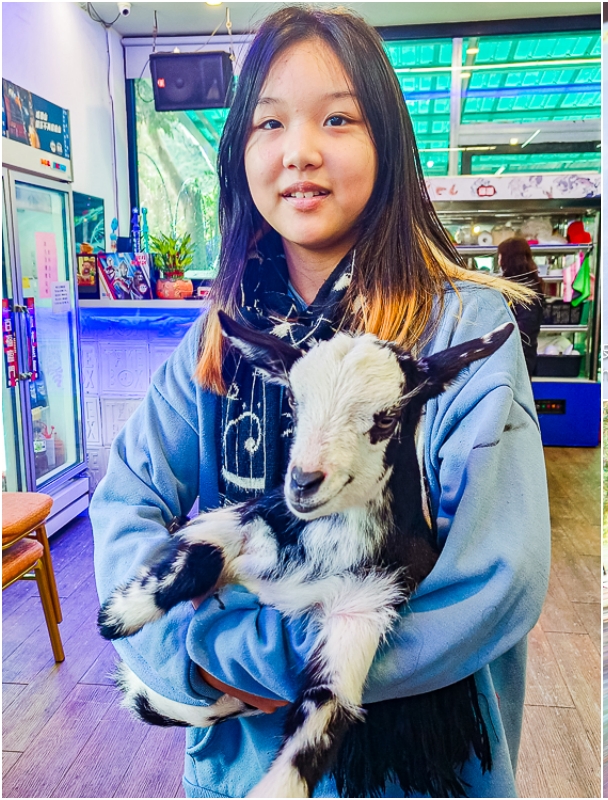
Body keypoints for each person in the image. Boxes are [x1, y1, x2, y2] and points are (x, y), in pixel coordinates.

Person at [89, 7, 550, 797]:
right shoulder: (221, 339)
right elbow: (126, 501)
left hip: (417, 775)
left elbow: (495, 580)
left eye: (338, 117)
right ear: (241, 152)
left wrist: (253, 661)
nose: (300, 150)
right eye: (269, 122)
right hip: (239, 767)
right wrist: (192, 662)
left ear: (389, 143)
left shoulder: (463, 327)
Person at [497, 237, 545, 378]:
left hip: (518, 360)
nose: (499, 261)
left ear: (508, 259)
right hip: (515, 357)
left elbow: (525, 330)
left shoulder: (526, 290)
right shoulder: (522, 285)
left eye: (500, 256)